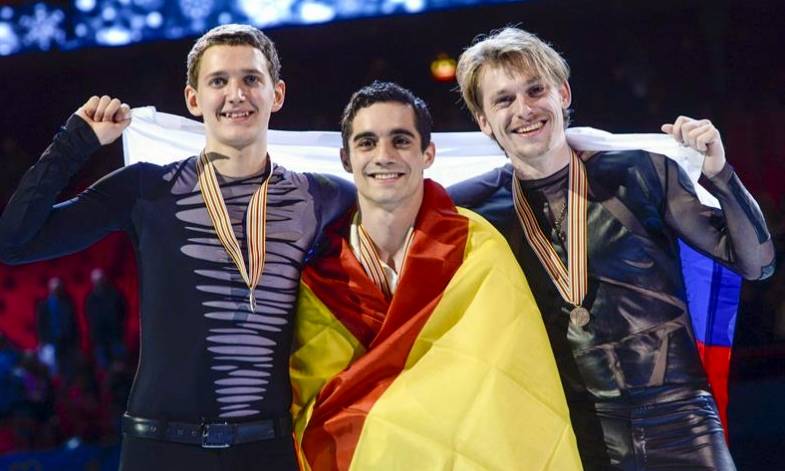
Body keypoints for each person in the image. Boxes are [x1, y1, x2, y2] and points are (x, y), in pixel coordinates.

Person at [0, 24, 353, 470]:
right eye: (218, 81)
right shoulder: (146, 188)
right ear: (193, 99)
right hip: (160, 452)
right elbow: (14, 242)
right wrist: (75, 142)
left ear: (276, 93)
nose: (236, 94)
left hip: (267, 451)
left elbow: (413, 224)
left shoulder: (324, 196)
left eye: (251, 78)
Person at [448, 27, 774, 470]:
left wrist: (719, 172)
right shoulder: (476, 212)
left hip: (682, 421)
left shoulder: (639, 171)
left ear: (563, 94)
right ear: (484, 120)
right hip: (581, 435)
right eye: (503, 100)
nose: (524, 109)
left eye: (535, 90)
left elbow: (757, 264)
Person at [289, 81, 581, 470]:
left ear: (428, 153)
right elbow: (310, 401)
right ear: (346, 159)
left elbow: (504, 380)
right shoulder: (320, 273)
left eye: (400, 141)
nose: (384, 156)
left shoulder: (474, 244)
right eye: (367, 143)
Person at [36, 277, 80, 379]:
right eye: (55, 289)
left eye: (58, 288)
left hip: (67, 340)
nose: (57, 291)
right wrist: (42, 340)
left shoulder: (68, 303)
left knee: (69, 366)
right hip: (51, 340)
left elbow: (73, 322)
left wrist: (75, 340)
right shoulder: (44, 305)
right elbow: (41, 324)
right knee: (54, 369)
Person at [85, 268, 126, 370]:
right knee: (103, 366)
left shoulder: (115, 294)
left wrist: (119, 325)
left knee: (120, 364)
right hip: (99, 337)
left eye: (100, 280)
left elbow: (123, 311)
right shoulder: (91, 299)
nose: (99, 283)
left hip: (115, 334)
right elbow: (89, 317)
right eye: (96, 281)